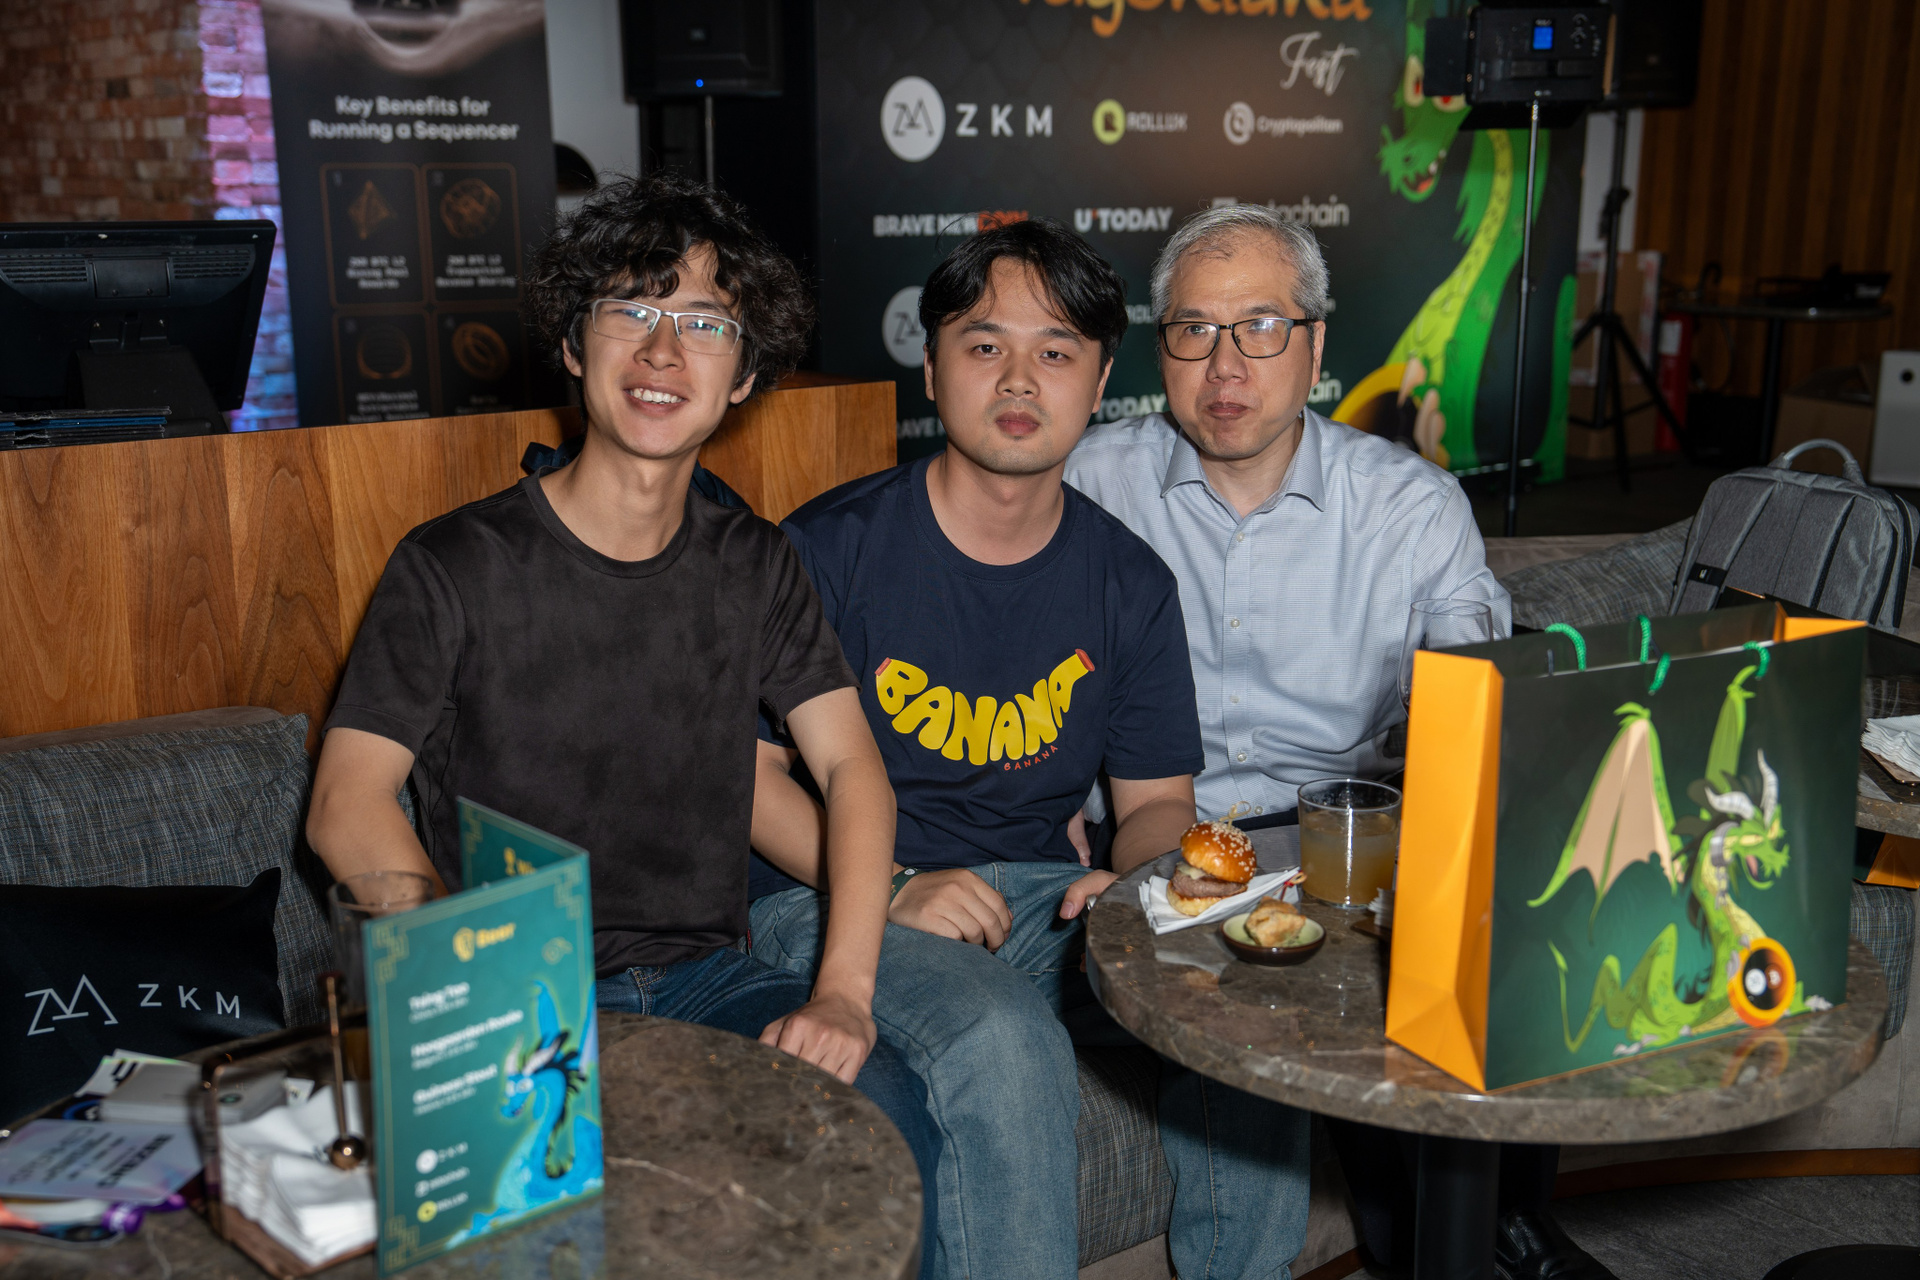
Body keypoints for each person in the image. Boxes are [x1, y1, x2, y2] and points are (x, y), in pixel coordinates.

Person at [304, 172, 941, 1261]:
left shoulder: (757, 563)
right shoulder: (452, 563)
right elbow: (343, 804)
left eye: (704, 324)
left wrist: (842, 993)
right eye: (631, 310)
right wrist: (475, 992)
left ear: (744, 375)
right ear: (571, 342)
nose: (662, 351)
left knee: (882, 1111)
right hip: (522, 991)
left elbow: (851, 771)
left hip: (709, 976)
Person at [744, 219, 1310, 1280]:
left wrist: (1141, 885)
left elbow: (1154, 801)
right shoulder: (827, 549)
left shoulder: (1128, 581)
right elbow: (751, 782)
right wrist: (895, 885)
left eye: (1055, 351)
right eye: (983, 344)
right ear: (931, 369)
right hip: (830, 899)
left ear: (1099, 385)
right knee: (1003, 1036)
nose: (1018, 378)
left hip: (1034, 899)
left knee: (1241, 976)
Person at [1062, 204, 1610, 1280]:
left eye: (1263, 327)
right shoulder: (1086, 482)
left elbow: (1480, 705)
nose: (1227, 364)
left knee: (1490, 915)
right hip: (1149, 833)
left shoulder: (1410, 507)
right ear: (1160, 348)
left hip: (1339, 833)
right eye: (1194, 329)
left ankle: (1500, 1232)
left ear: (1316, 347)